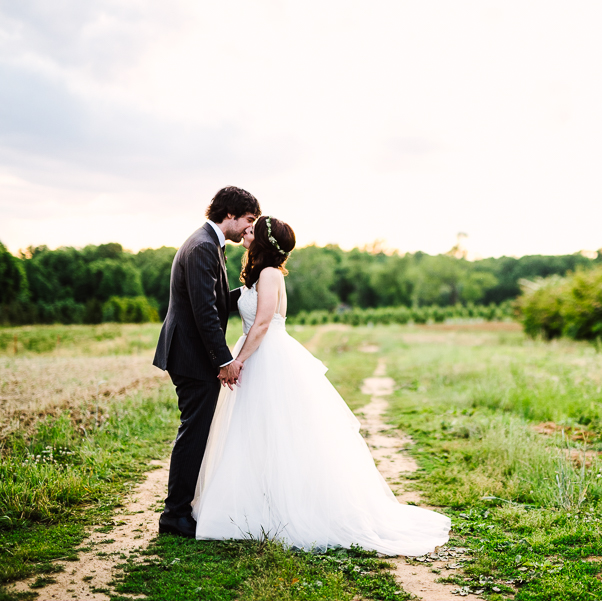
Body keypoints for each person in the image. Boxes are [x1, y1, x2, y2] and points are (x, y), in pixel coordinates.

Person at [192, 216, 451, 555]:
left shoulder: (270, 275)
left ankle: (283, 508)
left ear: (266, 242)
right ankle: (255, 504)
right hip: (254, 353)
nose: (247, 231)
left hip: (267, 355)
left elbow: (265, 323)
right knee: (253, 431)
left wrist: (238, 360)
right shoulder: (258, 275)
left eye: (254, 229)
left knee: (278, 431)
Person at [152, 186, 259, 538]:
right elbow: (204, 313)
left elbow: (212, 299)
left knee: (196, 431)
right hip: (190, 355)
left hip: (191, 352)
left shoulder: (210, 243)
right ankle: (174, 515)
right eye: (248, 220)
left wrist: (250, 294)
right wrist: (224, 360)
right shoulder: (201, 247)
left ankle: (182, 508)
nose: (249, 228)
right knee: (193, 433)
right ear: (229, 214)